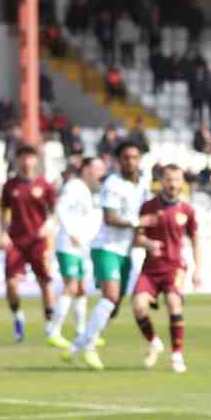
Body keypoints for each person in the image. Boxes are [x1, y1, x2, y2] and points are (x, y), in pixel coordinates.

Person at [68, 141, 152, 371]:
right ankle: (90, 348)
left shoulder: (143, 184)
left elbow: (147, 214)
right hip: (106, 247)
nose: (131, 161)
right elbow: (110, 218)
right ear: (118, 160)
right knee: (110, 297)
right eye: (126, 157)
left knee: (113, 306)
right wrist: (138, 223)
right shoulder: (113, 184)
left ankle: (77, 345)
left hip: (126, 250)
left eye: (135, 157)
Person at [130, 164, 201, 375]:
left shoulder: (187, 210)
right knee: (138, 306)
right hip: (151, 268)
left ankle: (177, 355)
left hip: (175, 267)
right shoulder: (149, 207)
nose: (173, 184)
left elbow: (196, 241)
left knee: (173, 302)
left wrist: (198, 270)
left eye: (177, 180)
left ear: (182, 182)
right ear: (161, 181)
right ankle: (154, 341)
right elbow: (137, 238)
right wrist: (149, 244)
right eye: (169, 179)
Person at [0, 145, 59, 346]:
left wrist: (48, 227)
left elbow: (53, 213)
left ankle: (51, 327)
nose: (26, 162)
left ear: (35, 161)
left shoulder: (45, 185)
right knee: (11, 284)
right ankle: (18, 317)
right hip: (16, 242)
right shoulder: (10, 186)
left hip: (38, 242)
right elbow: (3, 212)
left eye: (30, 158)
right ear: (18, 161)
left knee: (45, 281)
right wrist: (3, 233)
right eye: (23, 158)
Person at [49, 156, 104, 346]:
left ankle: (81, 332)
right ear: (87, 169)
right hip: (67, 245)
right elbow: (60, 208)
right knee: (71, 286)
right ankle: (53, 331)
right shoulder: (74, 186)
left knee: (81, 289)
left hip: (79, 246)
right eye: (97, 168)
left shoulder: (86, 191)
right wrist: (71, 232)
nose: (100, 173)